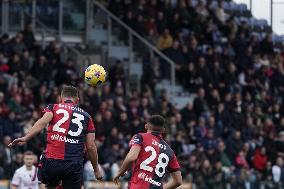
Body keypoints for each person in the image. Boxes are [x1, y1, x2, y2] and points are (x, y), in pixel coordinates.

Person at [9, 85, 103, 189]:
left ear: (61, 98)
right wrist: (96, 170)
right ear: (77, 100)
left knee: (50, 185)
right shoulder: (87, 117)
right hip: (73, 164)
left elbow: (42, 122)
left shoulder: (53, 108)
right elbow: (90, 147)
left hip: (52, 161)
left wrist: (26, 137)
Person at [113, 115, 182, 189]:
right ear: (163, 130)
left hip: (138, 186)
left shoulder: (140, 137)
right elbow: (178, 181)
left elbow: (132, 157)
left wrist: (120, 172)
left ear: (146, 126)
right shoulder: (170, 151)